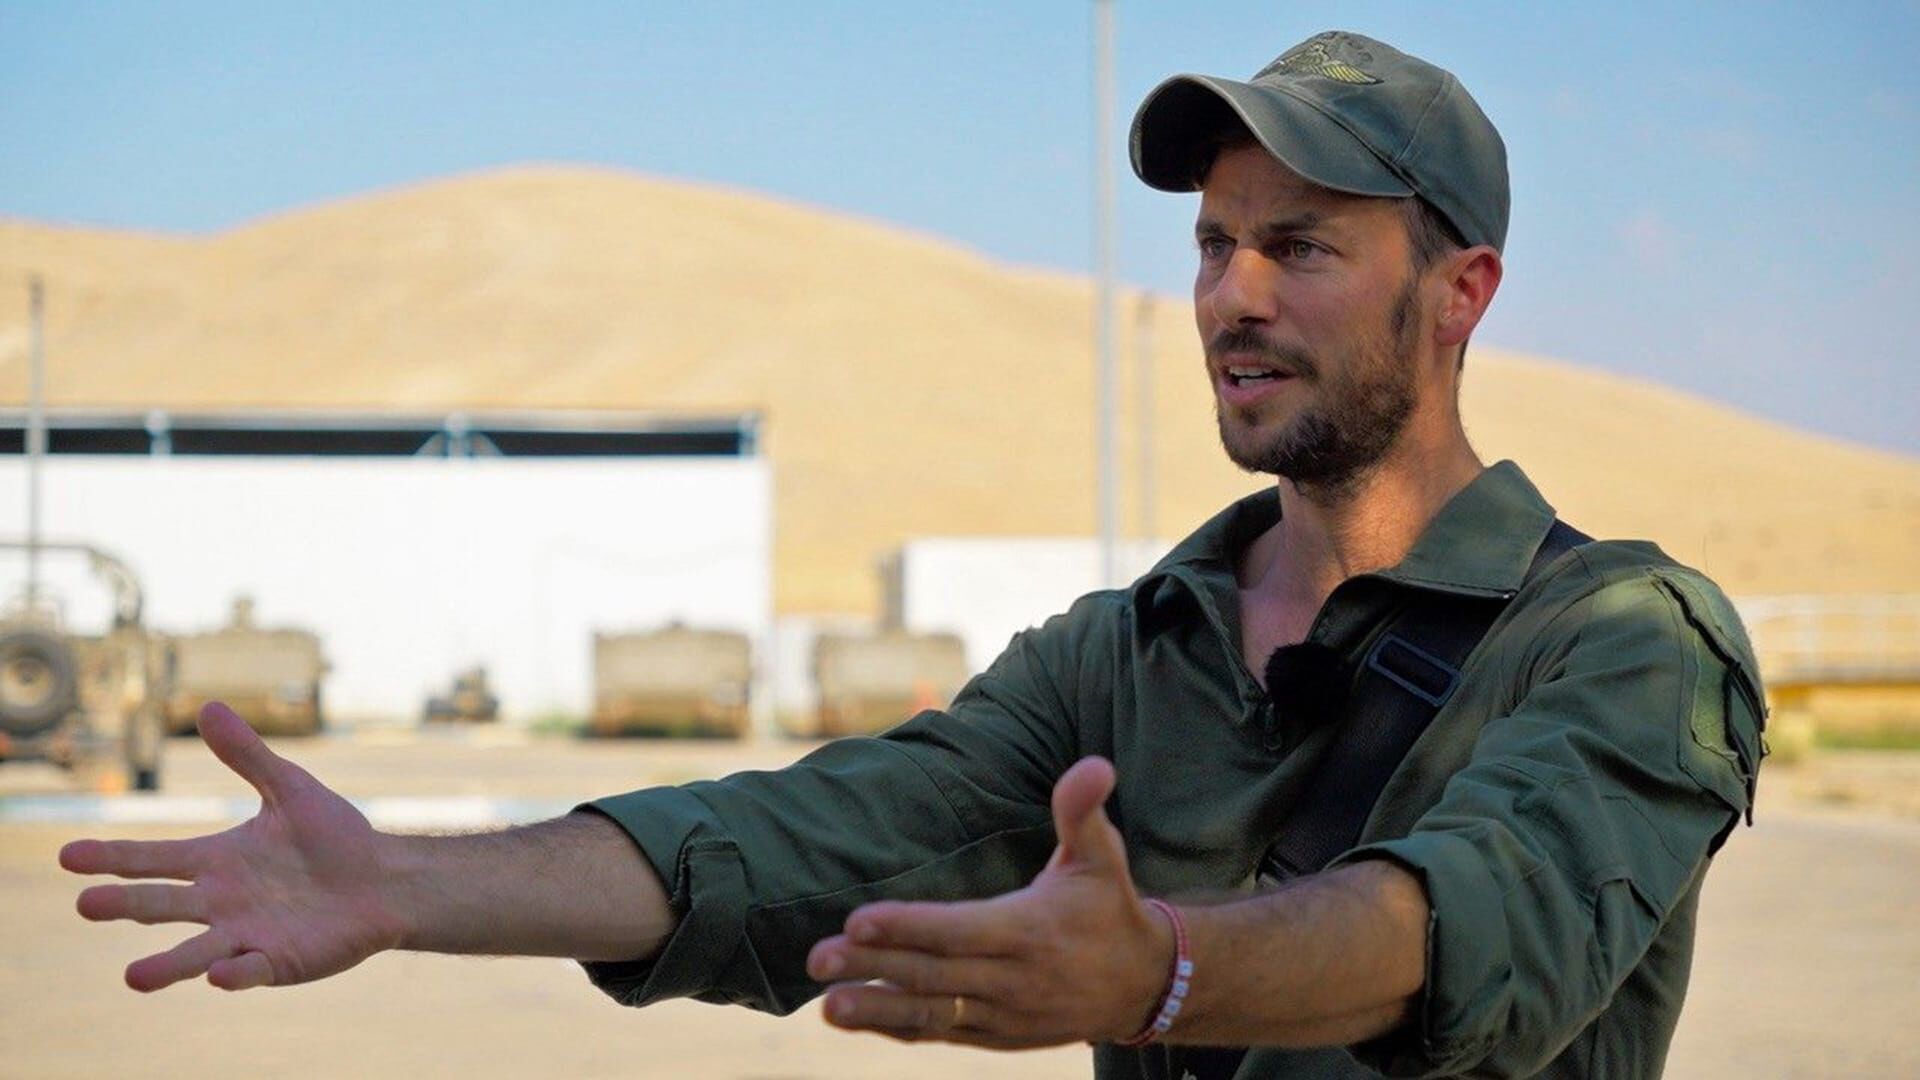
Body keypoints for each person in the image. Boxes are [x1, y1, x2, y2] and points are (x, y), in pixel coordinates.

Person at [61, 30, 1764, 1079]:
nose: (1230, 297)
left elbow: (1473, 920)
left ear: (1460, 294)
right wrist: (402, 886)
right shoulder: (1124, 651)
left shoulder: (1623, 638)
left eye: (1300, 247)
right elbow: (809, 836)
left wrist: (1165, 970)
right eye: (1212, 245)